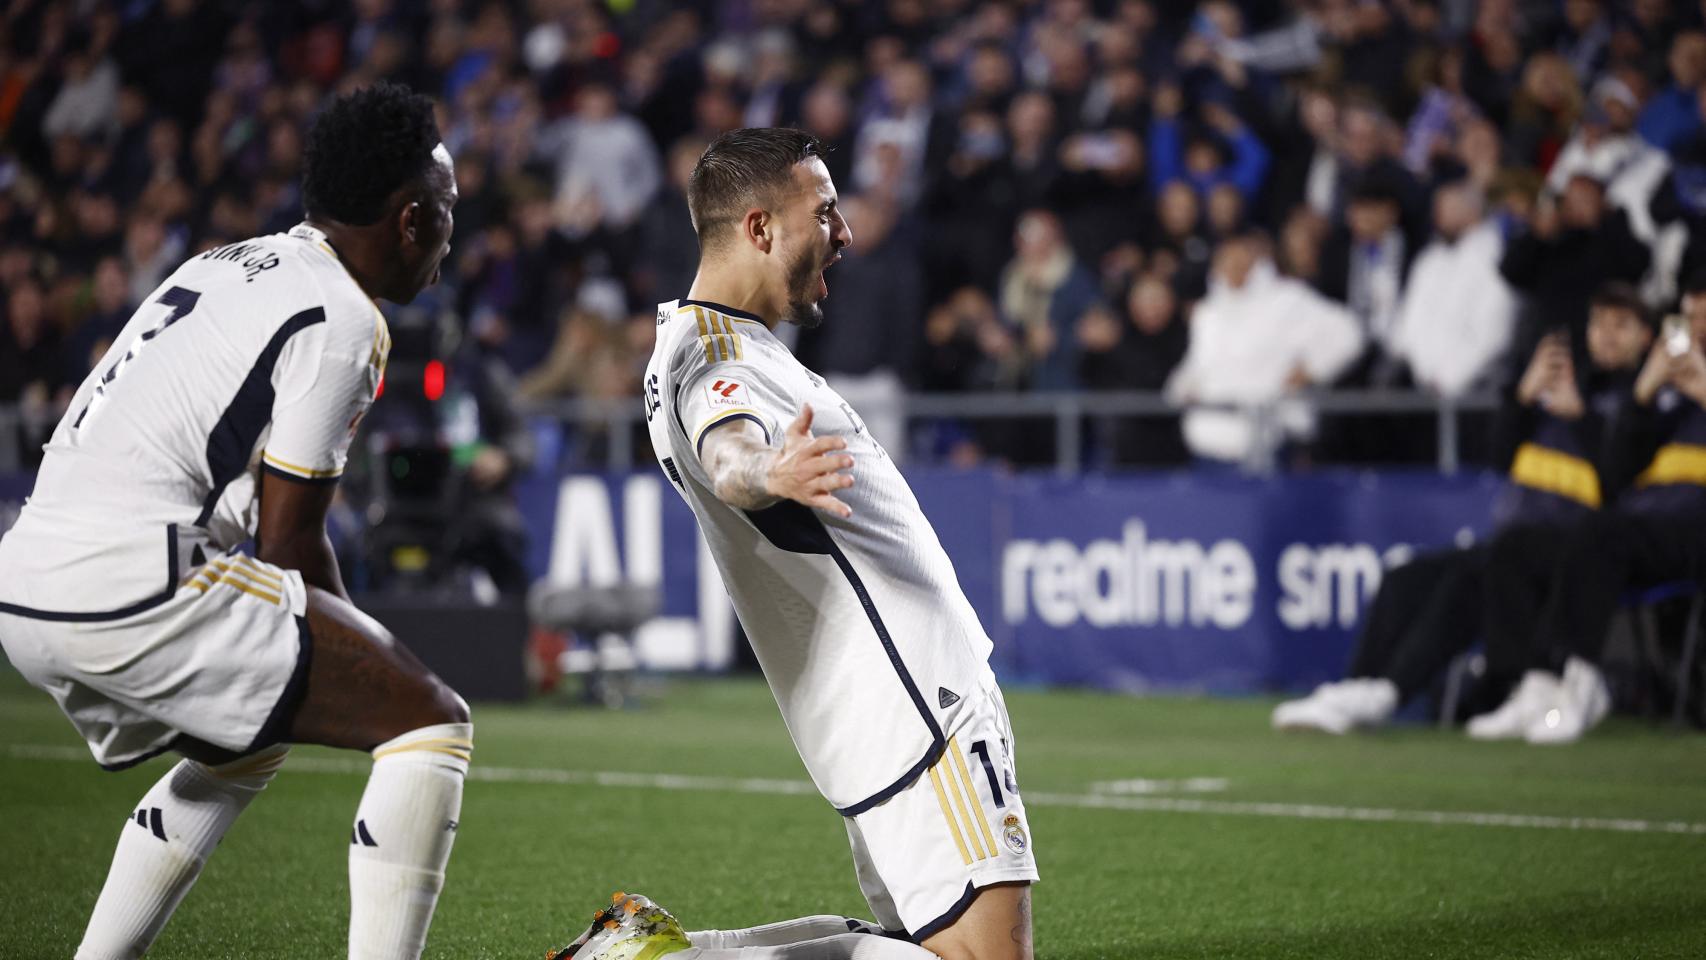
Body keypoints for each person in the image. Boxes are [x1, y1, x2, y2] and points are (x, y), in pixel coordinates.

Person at [0, 84, 471, 960]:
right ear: (408, 220)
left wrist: (349, 649)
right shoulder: (344, 319)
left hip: (26, 579)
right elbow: (288, 545)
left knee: (241, 741)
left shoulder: (223, 262)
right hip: (129, 579)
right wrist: (374, 657)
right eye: (445, 215)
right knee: (430, 721)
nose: (448, 244)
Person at [566, 128, 1037, 960]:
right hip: (917, 697)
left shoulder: (705, 342)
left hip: (884, 703)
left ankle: (670, 950)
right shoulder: (714, 357)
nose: (844, 232)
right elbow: (729, 447)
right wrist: (763, 471)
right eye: (823, 212)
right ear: (758, 229)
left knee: (920, 946)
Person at [1272, 283, 1652, 735]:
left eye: (1621, 326)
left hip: (1578, 550)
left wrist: (1581, 417)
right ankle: (1358, 687)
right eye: (1600, 323)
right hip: (1518, 543)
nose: (1607, 335)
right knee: (1404, 577)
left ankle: (1392, 691)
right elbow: (1498, 457)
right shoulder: (1560, 393)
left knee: (1471, 577)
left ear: (1646, 337)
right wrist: (1521, 399)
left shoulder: (1641, 404)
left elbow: (1620, 476)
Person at [1469, 272, 1706, 744]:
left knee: (1602, 531)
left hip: (1695, 529)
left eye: (1705, 318)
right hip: (1649, 526)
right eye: (1689, 317)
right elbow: (1616, 474)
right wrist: (1645, 394)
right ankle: (1536, 683)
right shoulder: (1663, 394)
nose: (1695, 329)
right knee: (1526, 544)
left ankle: (1579, 680)